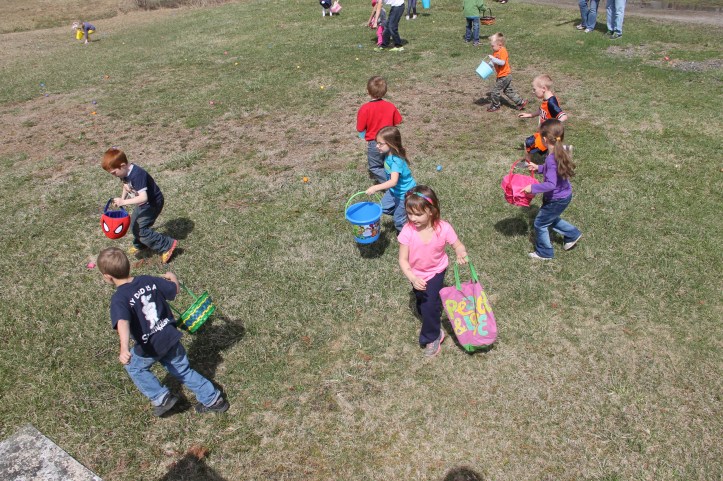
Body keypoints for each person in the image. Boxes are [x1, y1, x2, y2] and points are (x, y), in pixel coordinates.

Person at [97, 247, 229, 416]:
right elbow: (174, 290)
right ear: (128, 266)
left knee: (134, 367)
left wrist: (124, 348)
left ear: (108, 277)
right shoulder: (147, 280)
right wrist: (173, 278)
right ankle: (213, 399)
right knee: (183, 371)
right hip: (169, 336)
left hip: (149, 346)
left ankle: (161, 397)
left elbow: (122, 322)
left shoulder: (119, 298)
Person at [398, 186, 468, 357]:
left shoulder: (444, 228)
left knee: (429, 305)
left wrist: (461, 252)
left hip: (437, 271)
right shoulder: (408, 231)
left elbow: (457, 245)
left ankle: (433, 335)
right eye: (409, 213)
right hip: (416, 274)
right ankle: (427, 308)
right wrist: (413, 278)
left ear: (431, 211)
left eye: (417, 214)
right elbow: (403, 260)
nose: (412, 218)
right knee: (422, 300)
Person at [101, 148, 178, 263]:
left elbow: (144, 197)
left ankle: (167, 245)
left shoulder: (137, 175)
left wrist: (123, 202)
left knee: (141, 229)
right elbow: (126, 185)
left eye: (114, 173)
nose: (113, 175)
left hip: (152, 204)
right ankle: (141, 244)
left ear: (122, 165)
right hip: (142, 204)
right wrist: (123, 198)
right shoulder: (124, 172)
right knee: (134, 225)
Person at [521, 119, 582, 259]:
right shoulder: (560, 152)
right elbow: (552, 170)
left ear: (544, 139)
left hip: (556, 199)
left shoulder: (550, 158)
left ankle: (545, 252)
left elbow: (550, 184)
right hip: (564, 195)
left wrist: (532, 188)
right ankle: (572, 234)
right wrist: (539, 168)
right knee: (549, 218)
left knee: (540, 223)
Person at [365, 126, 416, 233]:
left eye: (380, 144)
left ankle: (404, 235)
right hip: (394, 191)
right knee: (383, 208)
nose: (377, 146)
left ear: (391, 143)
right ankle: (406, 212)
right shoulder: (387, 155)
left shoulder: (396, 161)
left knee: (398, 220)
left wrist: (375, 187)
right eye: (377, 143)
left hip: (404, 193)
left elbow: (393, 181)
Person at [357, 76, 403, 185]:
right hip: (390, 141)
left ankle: (391, 183)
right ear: (385, 91)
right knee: (390, 162)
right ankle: (395, 178)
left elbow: (360, 128)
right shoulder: (390, 106)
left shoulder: (365, 108)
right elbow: (398, 121)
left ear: (368, 91)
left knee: (375, 167)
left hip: (375, 143)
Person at [518, 74, 568, 164]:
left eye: (534, 89)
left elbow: (563, 116)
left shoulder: (551, 102)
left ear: (543, 88)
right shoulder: (546, 99)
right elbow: (541, 110)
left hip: (547, 135)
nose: (533, 92)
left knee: (528, 143)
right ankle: (560, 152)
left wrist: (551, 126)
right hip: (544, 133)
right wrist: (530, 115)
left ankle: (527, 164)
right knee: (550, 152)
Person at [486, 33, 527, 112]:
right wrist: (488, 66)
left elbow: (502, 62)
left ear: (500, 45)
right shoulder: (495, 52)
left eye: (493, 46)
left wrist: (493, 59)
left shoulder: (503, 50)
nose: (492, 47)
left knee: (495, 91)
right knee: (508, 91)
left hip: (505, 76)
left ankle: (495, 105)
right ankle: (521, 102)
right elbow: (493, 62)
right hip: (502, 76)